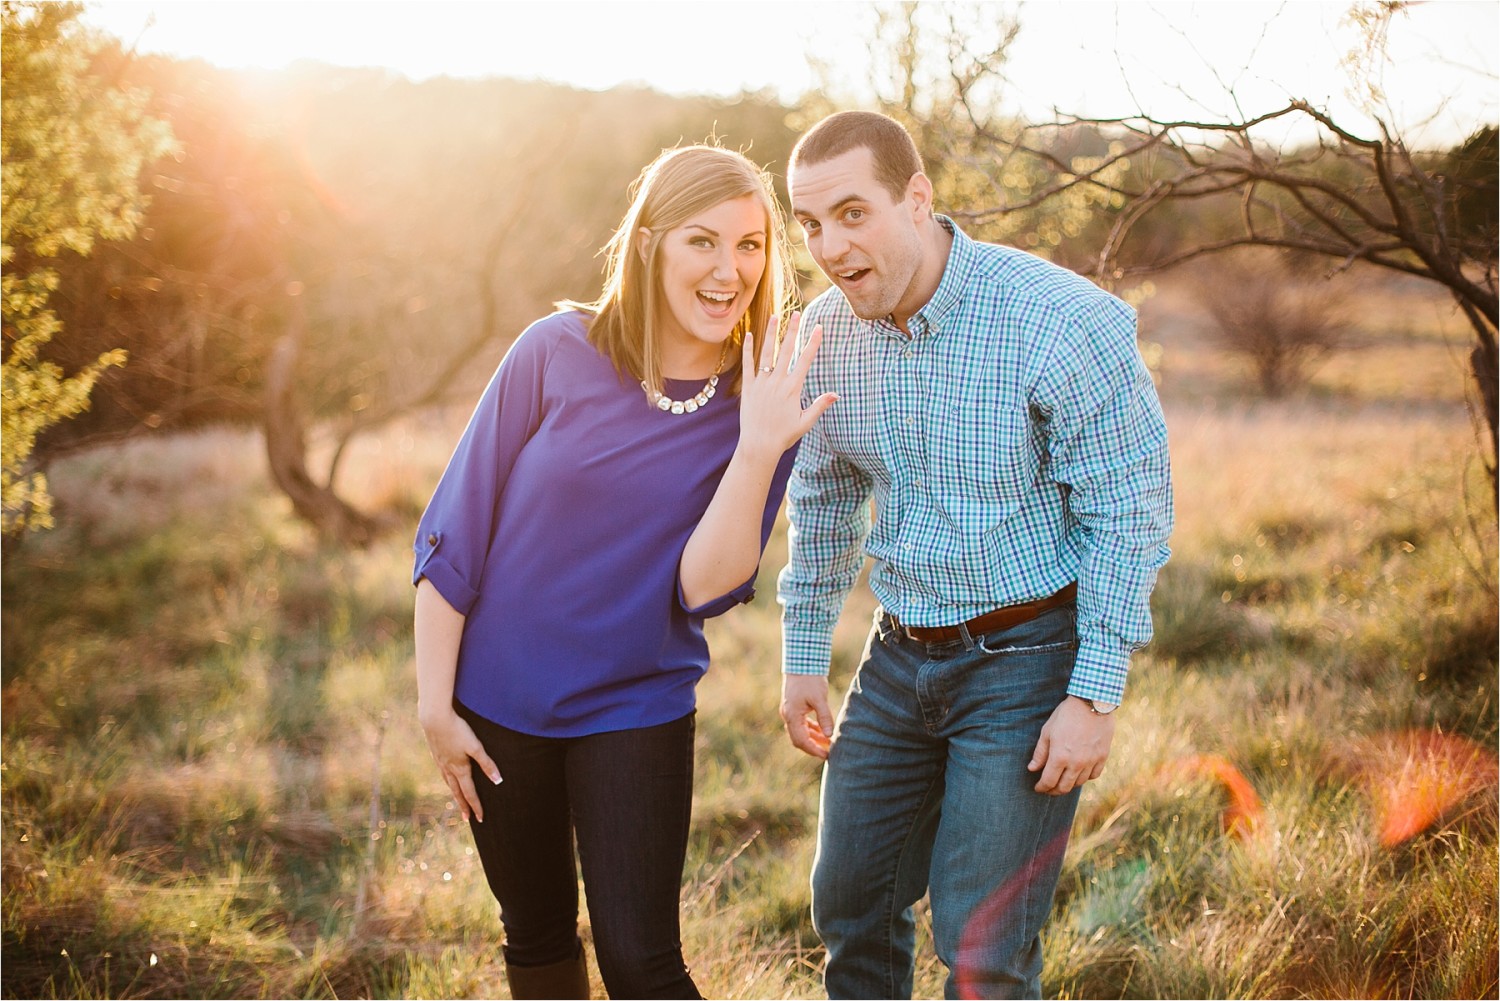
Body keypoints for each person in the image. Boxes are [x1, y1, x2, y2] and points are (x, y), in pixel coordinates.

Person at [412, 144, 834, 1000]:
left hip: (635, 703)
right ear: (649, 245)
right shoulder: (554, 349)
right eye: (702, 242)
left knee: (642, 961)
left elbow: (703, 589)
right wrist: (433, 706)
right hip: (497, 704)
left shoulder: (762, 400)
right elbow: (455, 530)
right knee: (533, 934)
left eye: (752, 245)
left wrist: (756, 449)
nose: (731, 271)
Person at [775, 111, 1173, 1000]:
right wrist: (805, 655)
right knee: (849, 902)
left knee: (980, 943)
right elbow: (826, 496)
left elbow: (1128, 512)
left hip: (1027, 659)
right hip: (897, 654)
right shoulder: (827, 334)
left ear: (916, 198)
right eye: (808, 225)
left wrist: (1094, 692)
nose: (829, 247)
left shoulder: (1059, 322)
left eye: (851, 213)